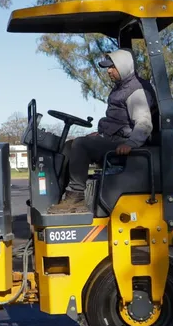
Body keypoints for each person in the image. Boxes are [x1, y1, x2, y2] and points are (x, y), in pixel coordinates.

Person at [50, 48, 156, 214]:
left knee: (81, 145)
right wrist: (101, 136)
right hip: (114, 138)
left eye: (112, 67)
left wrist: (131, 143)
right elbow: (117, 121)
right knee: (69, 146)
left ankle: (76, 197)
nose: (108, 71)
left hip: (124, 142)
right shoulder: (121, 88)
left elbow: (144, 122)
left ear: (123, 67)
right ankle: (61, 195)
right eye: (108, 68)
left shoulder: (136, 91)